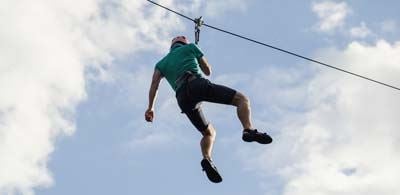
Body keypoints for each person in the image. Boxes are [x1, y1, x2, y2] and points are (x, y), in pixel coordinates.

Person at [145, 36, 272, 183]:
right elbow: (208, 71)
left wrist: (150, 108)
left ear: (172, 46)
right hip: (196, 84)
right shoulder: (191, 47)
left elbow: (154, 85)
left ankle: (207, 159)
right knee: (242, 99)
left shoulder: (161, 63)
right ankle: (248, 130)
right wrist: (198, 57)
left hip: (182, 99)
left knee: (208, 133)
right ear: (184, 42)